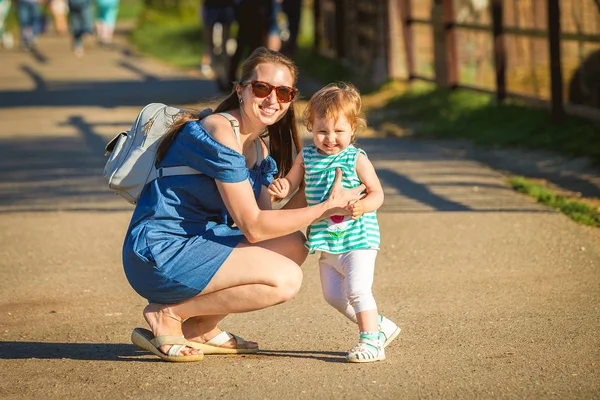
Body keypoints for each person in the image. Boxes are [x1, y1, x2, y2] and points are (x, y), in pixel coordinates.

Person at [124, 47, 366, 362]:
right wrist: (325, 208)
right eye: (262, 88)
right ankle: (169, 314)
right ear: (241, 90)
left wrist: (313, 187)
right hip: (159, 250)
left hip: (198, 242)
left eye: (284, 92)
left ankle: (201, 327)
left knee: (294, 245)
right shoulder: (219, 131)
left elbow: (266, 224)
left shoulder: (258, 149)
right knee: (285, 279)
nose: (272, 99)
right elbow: (252, 227)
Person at [268, 82, 400, 363]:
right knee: (333, 296)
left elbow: (377, 193)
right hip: (327, 241)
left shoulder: (356, 158)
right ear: (310, 128)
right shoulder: (307, 156)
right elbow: (293, 183)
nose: (330, 138)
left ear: (353, 129)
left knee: (357, 290)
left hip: (358, 238)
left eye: (339, 131)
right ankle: (380, 326)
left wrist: (362, 206)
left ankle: (371, 343)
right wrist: (281, 187)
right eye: (322, 131)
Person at [199, 0, 235, 78]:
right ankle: (213, 65)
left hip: (225, 5)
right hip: (211, 6)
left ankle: (225, 68)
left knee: (225, 41)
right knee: (209, 40)